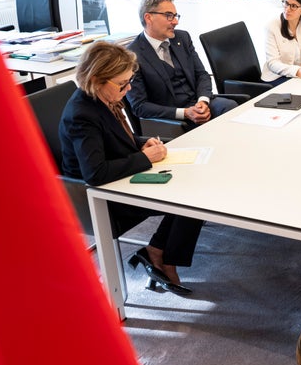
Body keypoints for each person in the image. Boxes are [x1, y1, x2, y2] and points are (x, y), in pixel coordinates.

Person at [59, 41, 202, 295]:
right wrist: (145, 158)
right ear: (97, 80)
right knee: (189, 196)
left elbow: (112, 138)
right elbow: (95, 173)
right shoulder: (82, 114)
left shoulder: (103, 98)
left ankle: (157, 251)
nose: (129, 88)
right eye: (122, 84)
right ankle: (162, 256)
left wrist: (139, 143)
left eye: (129, 81)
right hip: (99, 197)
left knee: (194, 187)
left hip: (119, 178)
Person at [125, 0, 237, 129]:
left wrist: (203, 101)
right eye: (168, 16)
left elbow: (202, 75)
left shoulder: (182, 38)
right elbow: (139, 106)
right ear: (148, 17)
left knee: (231, 108)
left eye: (175, 16)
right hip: (171, 118)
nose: (175, 22)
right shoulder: (132, 55)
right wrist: (184, 113)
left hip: (197, 102)